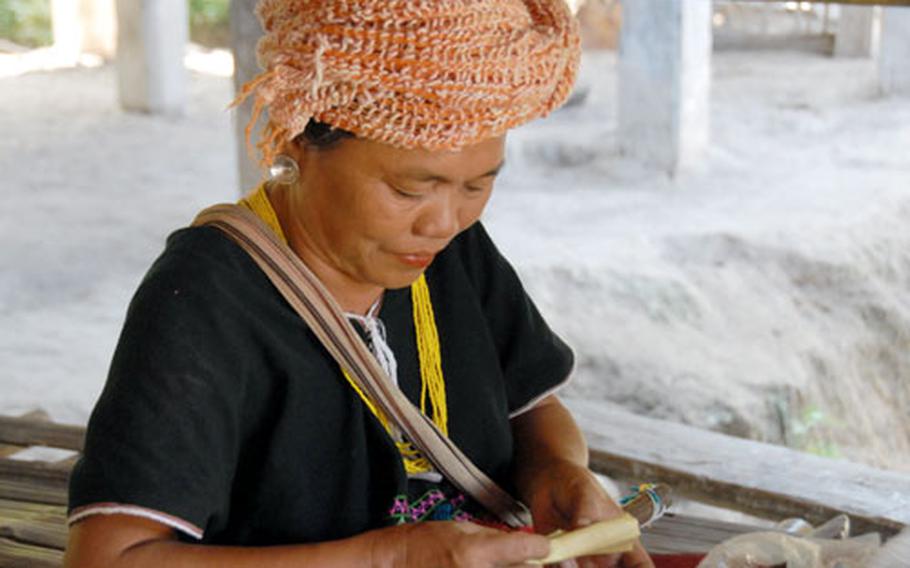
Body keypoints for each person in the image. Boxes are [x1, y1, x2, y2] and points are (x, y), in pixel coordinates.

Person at [63, 1, 654, 566]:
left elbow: (532, 406)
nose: (443, 223)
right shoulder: (206, 298)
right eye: (408, 189)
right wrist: (387, 557)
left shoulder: (450, 252)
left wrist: (558, 472)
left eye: (476, 186)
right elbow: (108, 558)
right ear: (298, 136)